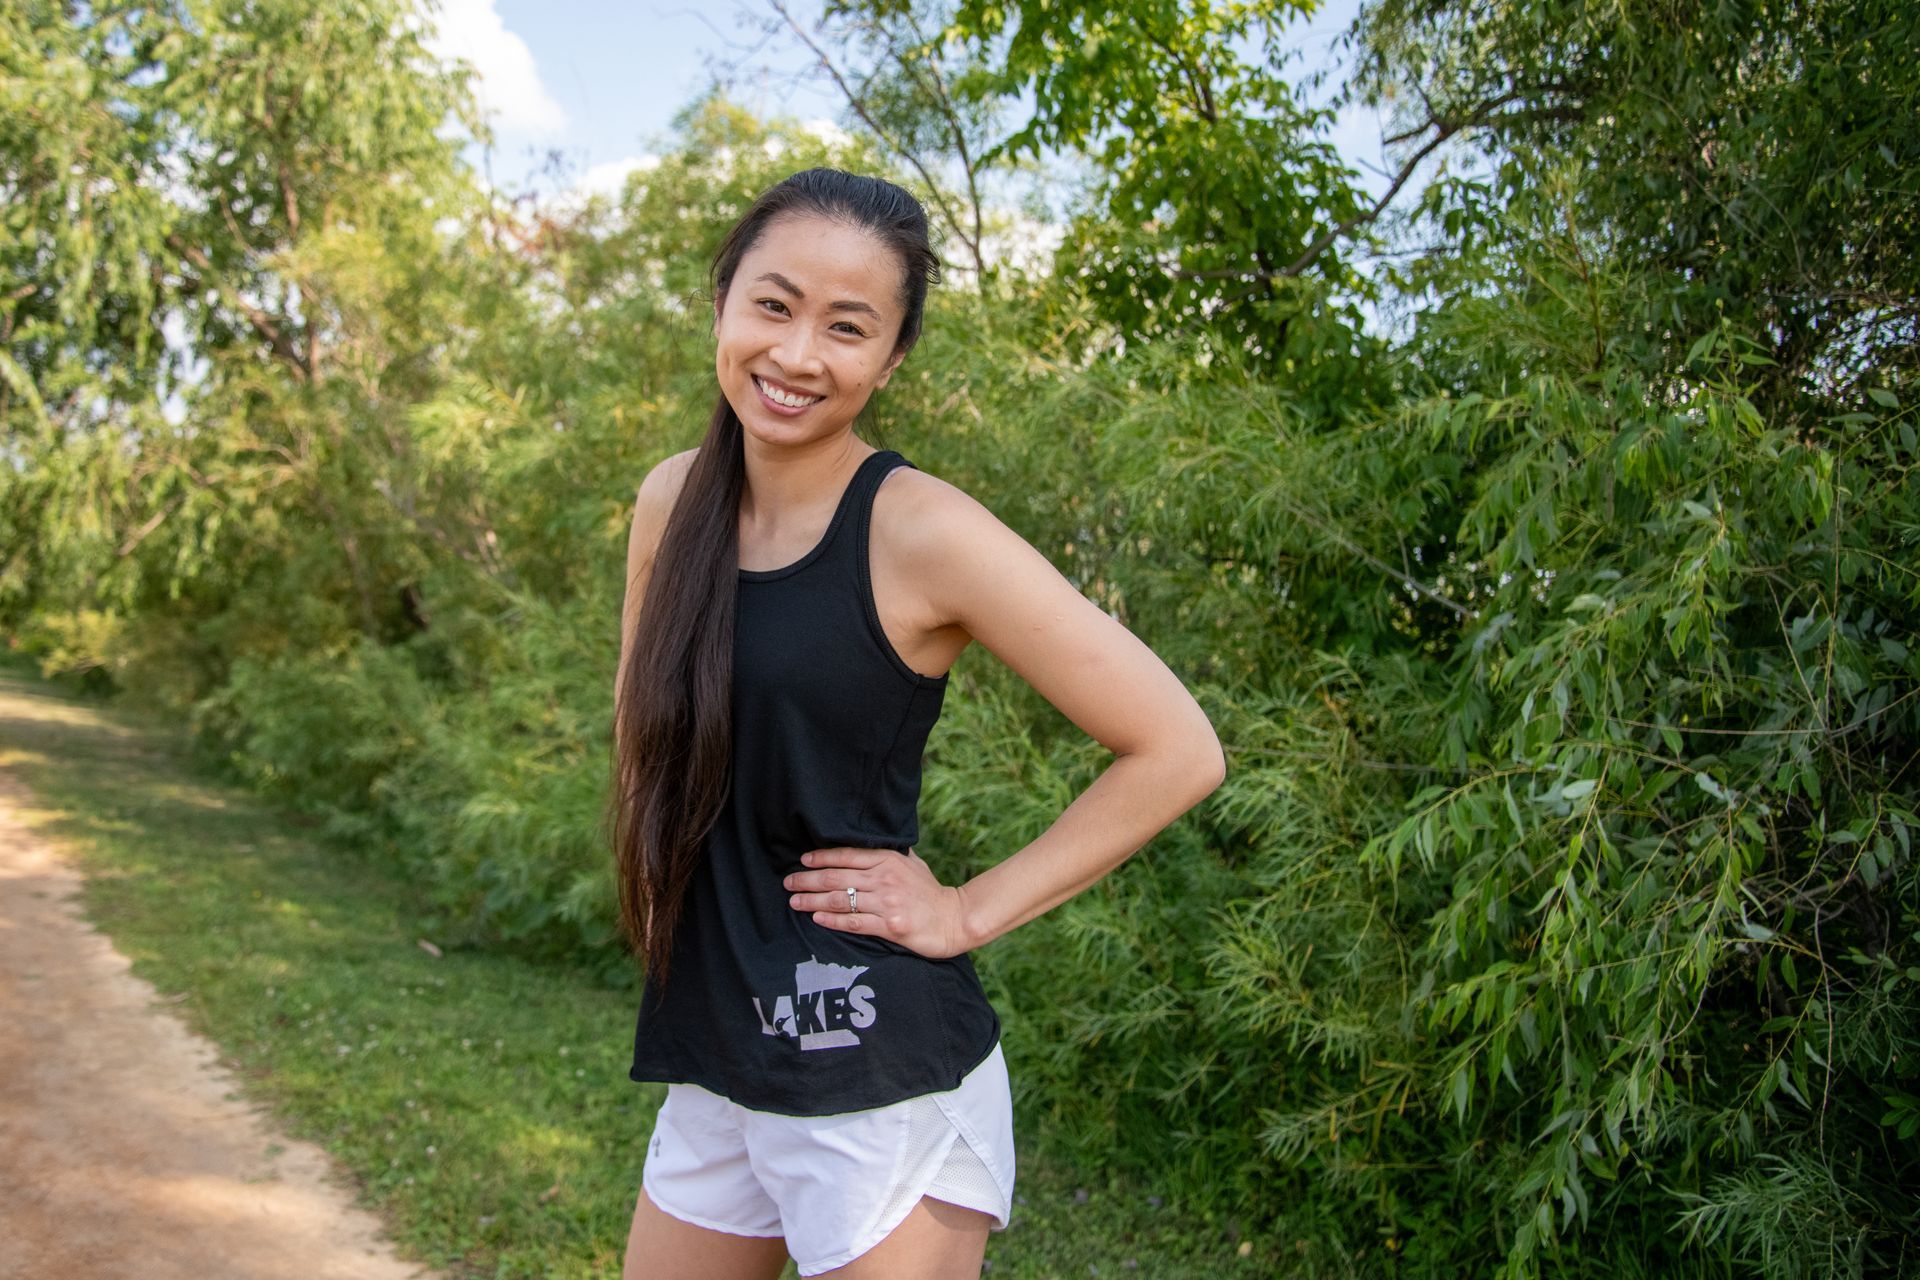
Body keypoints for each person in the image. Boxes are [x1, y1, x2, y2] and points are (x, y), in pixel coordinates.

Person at [610, 167, 1225, 1280]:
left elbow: (1178, 746)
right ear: (722, 302)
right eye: (775, 304)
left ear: (890, 359)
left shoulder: (923, 531)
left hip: (874, 1076)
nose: (798, 355)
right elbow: (639, 741)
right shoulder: (672, 500)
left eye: (848, 327)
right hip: (718, 1045)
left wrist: (965, 908)